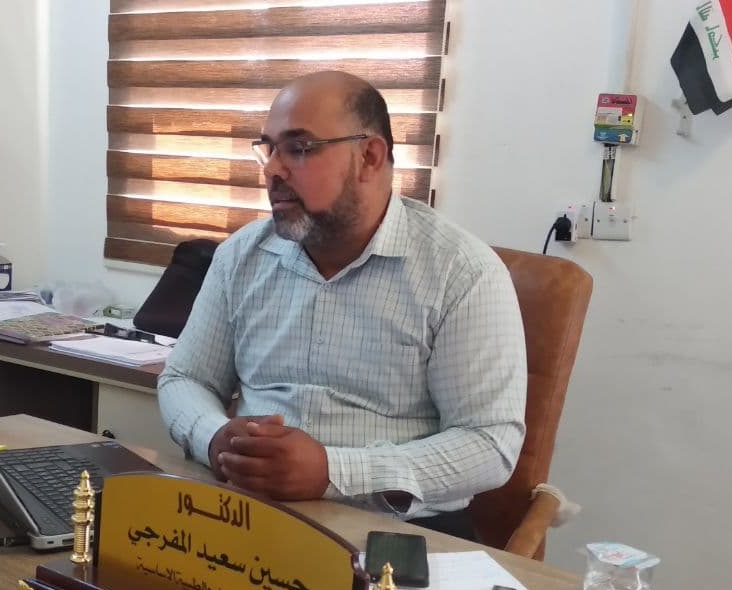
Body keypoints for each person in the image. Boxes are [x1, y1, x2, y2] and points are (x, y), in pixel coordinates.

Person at [156, 71, 527, 543]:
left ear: (369, 157)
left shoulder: (462, 272)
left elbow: (490, 443)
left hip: (397, 532)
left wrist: (334, 472)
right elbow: (184, 378)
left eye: (299, 148)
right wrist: (214, 437)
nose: (272, 170)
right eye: (268, 149)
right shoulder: (241, 257)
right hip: (248, 515)